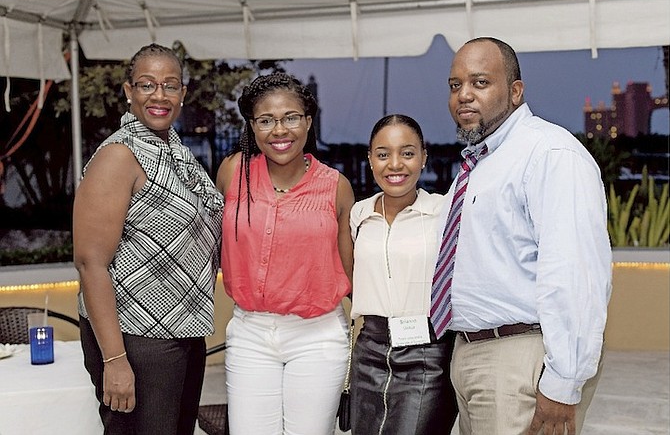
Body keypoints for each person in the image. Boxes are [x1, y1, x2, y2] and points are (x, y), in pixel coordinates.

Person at [439, 36, 612, 435]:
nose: (464, 95)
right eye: (455, 85)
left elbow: (575, 274)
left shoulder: (550, 153)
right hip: (473, 356)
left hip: (520, 361)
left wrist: (563, 383)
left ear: (515, 92)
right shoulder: (482, 163)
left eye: (480, 83)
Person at [72, 43, 224, 434]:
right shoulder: (119, 156)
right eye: (147, 84)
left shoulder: (173, 150)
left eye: (170, 85)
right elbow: (91, 263)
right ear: (128, 91)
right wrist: (114, 359)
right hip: (134, 340)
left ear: (182, 94)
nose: (159, 95)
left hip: (181, 332)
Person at [216, 72, 355, 435]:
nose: (280, 130)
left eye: (291, 117)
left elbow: (353, 271)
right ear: (252, 125)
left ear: (308, 122)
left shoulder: (336, 187)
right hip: (249, 332)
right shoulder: (233, 173)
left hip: (317, 336)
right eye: (266, 120)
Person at [348, 114, 458, 435]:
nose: (395, 164)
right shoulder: (360, 214)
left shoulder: (444, 212)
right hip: (370, 348)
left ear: (424, 156)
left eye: (407, 153)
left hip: (427, 352)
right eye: (383, 154)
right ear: (370, 159)